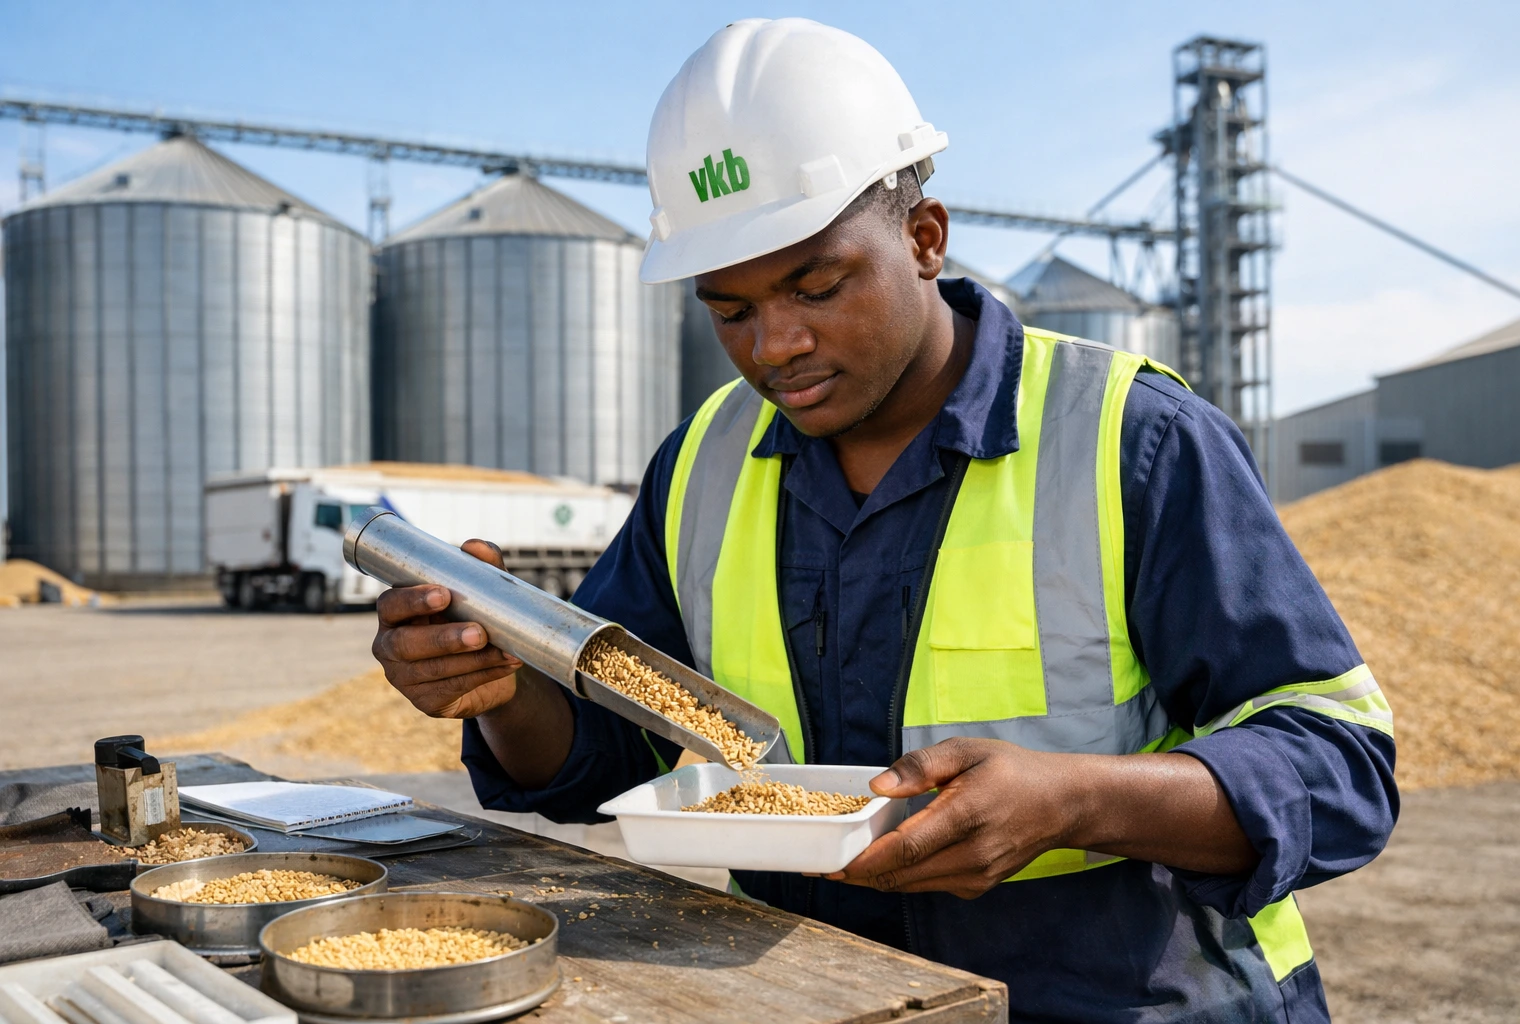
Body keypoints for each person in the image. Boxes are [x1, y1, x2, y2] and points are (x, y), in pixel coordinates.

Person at [370, 19, 1396, 1023]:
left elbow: (1339, 764)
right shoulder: (703, 465)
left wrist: (1078, 800)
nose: (775, 345)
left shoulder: (1132, 439)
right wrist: (497, 689)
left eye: (816, 287)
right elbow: (603, 752)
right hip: (831, 998)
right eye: (730, 310)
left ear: (923, 238)